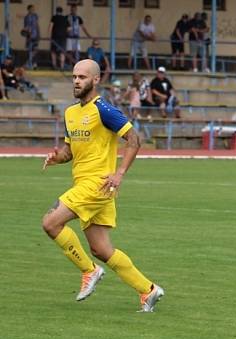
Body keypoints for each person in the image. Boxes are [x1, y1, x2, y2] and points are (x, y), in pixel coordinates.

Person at [41, 59, 164, 312]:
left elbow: (134, 139)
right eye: (74, 77)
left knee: (51, 222)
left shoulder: (104, 109)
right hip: (87, 184)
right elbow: (69, 151)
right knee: (100, 248)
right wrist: (57, 158)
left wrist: (120, 173)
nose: (76, 81)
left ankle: (89, 271)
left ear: (96, 80)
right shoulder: (70, 113)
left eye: (82, 77)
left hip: (97, 184)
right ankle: (148, 290)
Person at [23, 4, 41, 69]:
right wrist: (27, 30)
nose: (33, 10)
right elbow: (25, 26)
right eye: (32, 9)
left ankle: (32, 63)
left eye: (33, 9)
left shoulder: (35, 16)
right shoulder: (26, 17)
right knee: (29, 50)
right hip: (29, 36)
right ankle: (30, 64)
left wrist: (39, 34)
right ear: (29, 9)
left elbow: (37, 25)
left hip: (35, 35)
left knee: (35, 49)